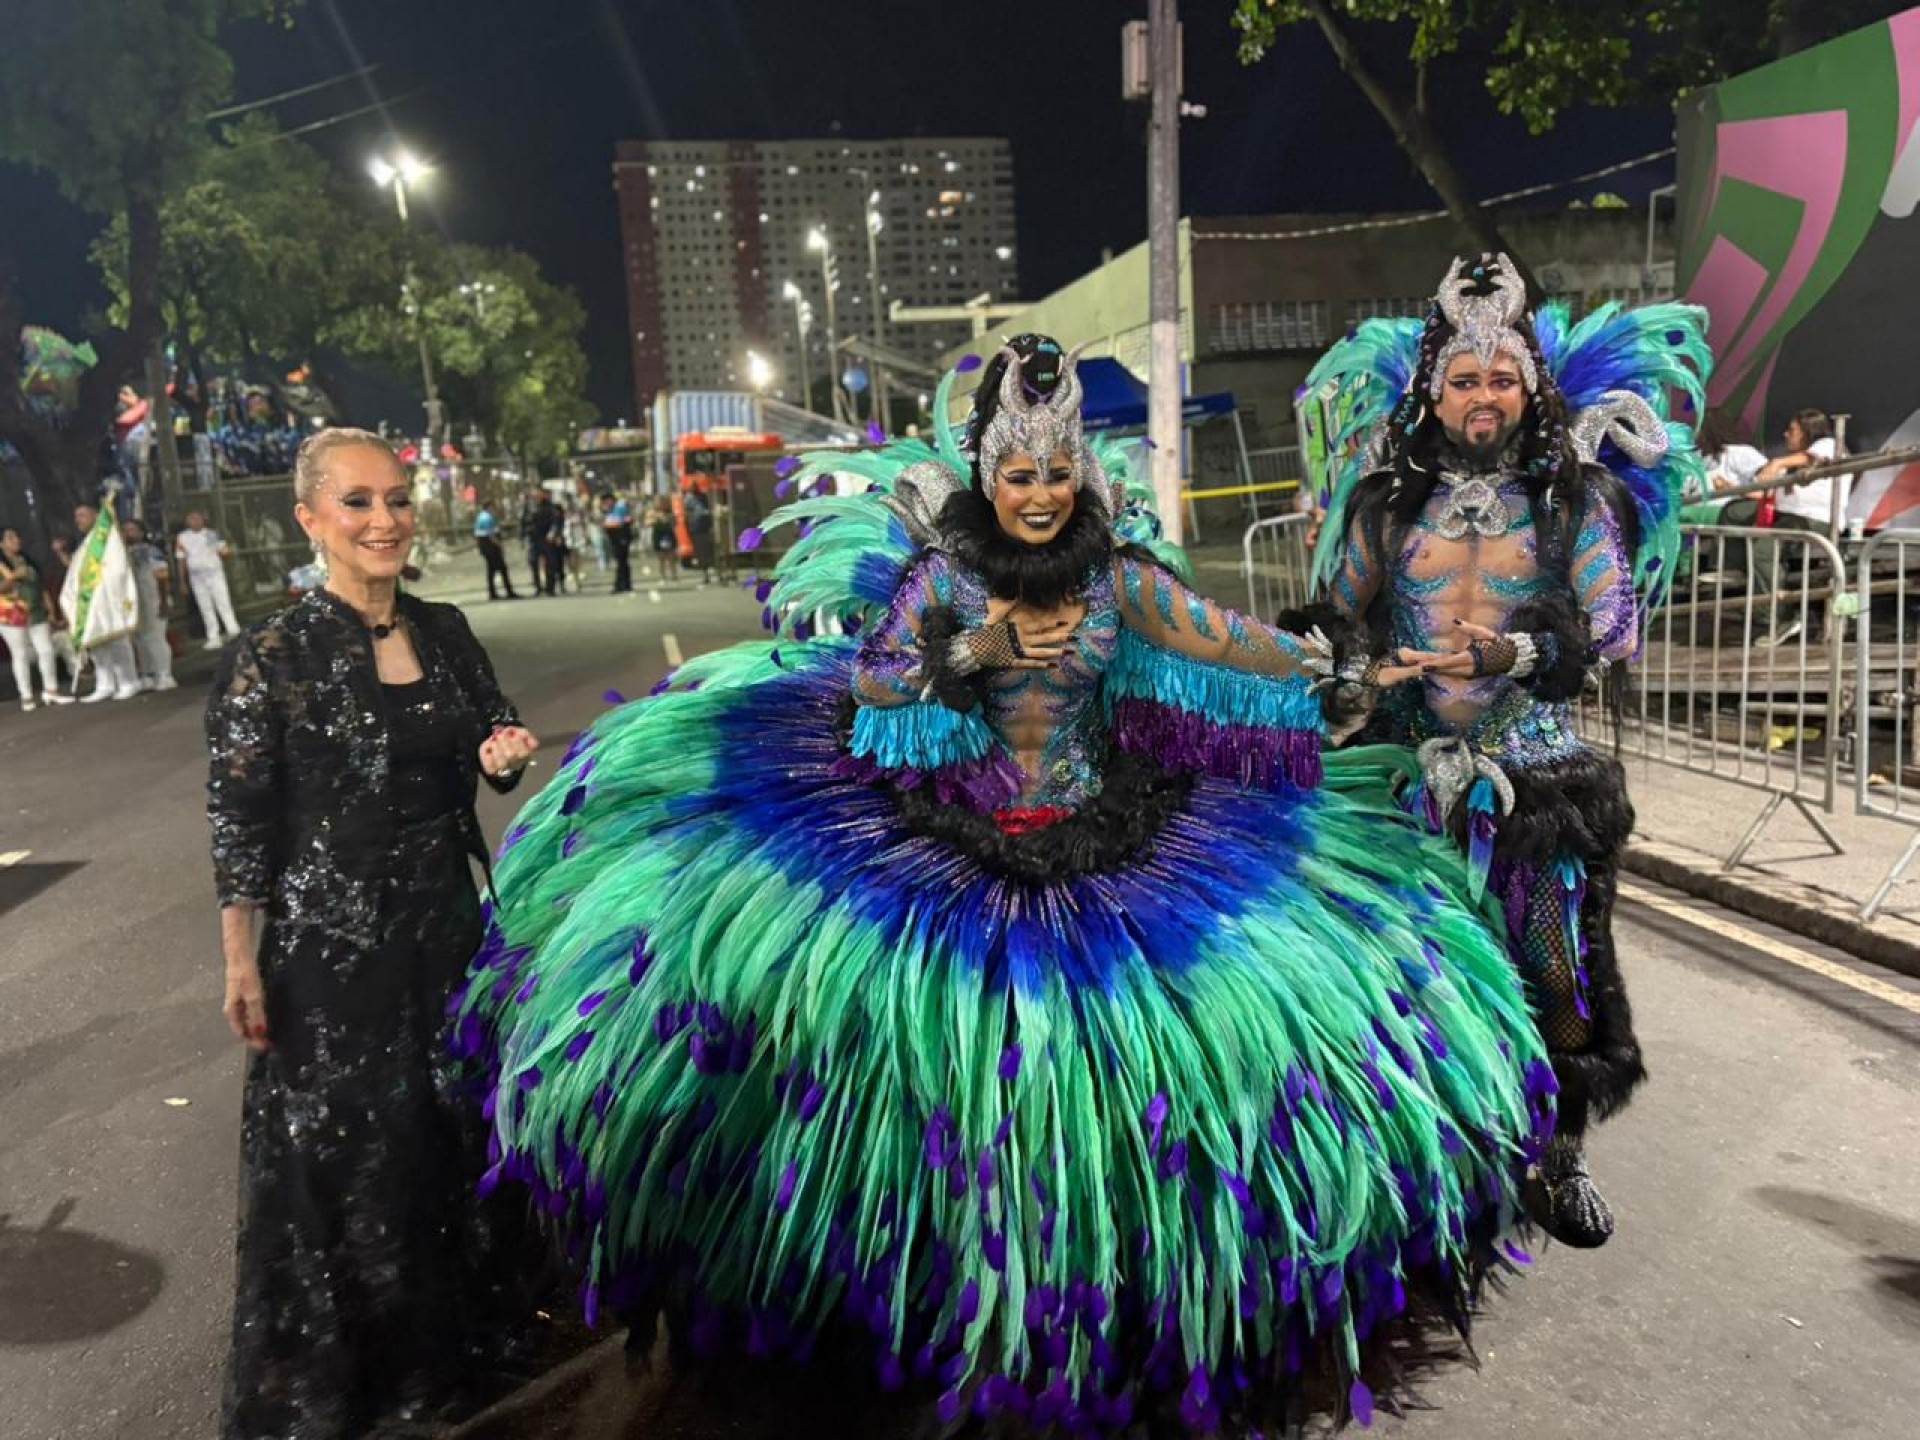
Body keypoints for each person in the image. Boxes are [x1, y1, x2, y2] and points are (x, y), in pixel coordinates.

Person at [452, 338, 1555, 1433]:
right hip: (945, 842)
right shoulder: (944, 578)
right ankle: (910, 1327)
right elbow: (878, 682)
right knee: (912, 1098)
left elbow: (1232, 645)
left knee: (1136, 1099)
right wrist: (972, 651)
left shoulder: (1120, 580)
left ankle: (1107, 1329)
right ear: (987, 477)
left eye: (1058, 473)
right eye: (1020, 474)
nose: (1039, 495)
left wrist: (1336, 664)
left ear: (1082, 477)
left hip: (1103, 843)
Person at [1308, 254, 1709, 1248]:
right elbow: (1336, 616)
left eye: (1501, 377)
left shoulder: (1570, 503)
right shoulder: (1385, 506)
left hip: (1532, 776)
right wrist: (1343, 667)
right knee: (1397, 976)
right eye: (1463, 378)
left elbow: (1614, 627)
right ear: (1433, 392)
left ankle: (1559, 1154)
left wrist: (1516, 650)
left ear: (1529, 390)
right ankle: (1419, 1158)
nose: (1482, 395)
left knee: (1558, 975)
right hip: (1401, 776)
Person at [206, 427, 543, 1439]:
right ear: (310, 520)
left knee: (446, 1138)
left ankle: (453, 1354)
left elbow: (491, 733)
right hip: (329, 955)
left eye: (396, 499)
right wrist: (240, 960)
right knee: (354, 1162)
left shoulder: (445, 631)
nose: (384, 520)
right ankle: (359, 1378)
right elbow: (240, 821)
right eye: (357, 502)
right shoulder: (272, 655)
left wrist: (503, 756)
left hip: (446, 931)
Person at [62, 503, 143, 702]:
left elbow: (117, 567)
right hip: (90, 603)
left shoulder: (109, 539)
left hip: (106, 598)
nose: (78, 520)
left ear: (96, 516)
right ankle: (105, 684)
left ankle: (128, 681)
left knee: (117, 642)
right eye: (76, 516)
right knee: (96, 645)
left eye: (82, 515)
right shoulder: (85, 545)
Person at [0, 527, 75, 711]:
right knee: (20, 654)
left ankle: (51, 691)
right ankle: (26, 696)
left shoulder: (27, 560)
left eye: (17, 536)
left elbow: (40, 586)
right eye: (10, 538)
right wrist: (13, 577)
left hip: (36, 612)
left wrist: (50, 608)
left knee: (46, 650)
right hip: (11, 616)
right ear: (1, 543)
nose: (16, 540)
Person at [121, 516, 178, 691]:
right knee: (140, 639)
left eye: (132, 530)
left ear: (141, 533)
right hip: (135, 603)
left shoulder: (151, 551)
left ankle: (165, 674)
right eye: (125, 530)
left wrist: (163, 600)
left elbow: (162, 576)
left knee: (155, 637)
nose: (128, 533)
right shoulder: (121, 554)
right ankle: (149, 674)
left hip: (153, 598)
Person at [176, 508, 242, 649]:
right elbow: (181, 560)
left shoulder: (211, 534)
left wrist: (227, 552)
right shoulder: (182, 537)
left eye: (197, 518)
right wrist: (182, 581)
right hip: (196, 577)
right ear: (187, 521)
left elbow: (224, 551)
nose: (194, 521)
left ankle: (234, 631)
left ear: (203, 519)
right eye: (191, 518)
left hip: (214, 574)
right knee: (205, 607)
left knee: (223, 603)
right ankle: (213, 637)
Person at [474, 504, 518, 600]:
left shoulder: (480, 517)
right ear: (489, 507)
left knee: (491, 570)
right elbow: (491, 534)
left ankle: (493, 593)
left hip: (485, 547)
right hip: (491, 547)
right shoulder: (487, 517)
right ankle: (509, 591)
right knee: (502, 568)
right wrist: (499, 545)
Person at [600, 492, 634, 593]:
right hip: (614, 538)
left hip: (621, 537)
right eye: (605, 501)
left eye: (608, 500)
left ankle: (620, 585)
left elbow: (626, 520)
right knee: (622, 562)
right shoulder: (608, 510)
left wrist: (621, 525)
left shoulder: (620, 507)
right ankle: (626, 584)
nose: (606, 503)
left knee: (621, 562)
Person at [684, 481, 716, 583]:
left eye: (695, 487)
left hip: (705, 527)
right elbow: (686, 514)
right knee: (700, 553)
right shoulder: (688, 499)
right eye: (692, 487)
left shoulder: (703, 497)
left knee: (708, 552)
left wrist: (710, 525)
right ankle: (705, 574)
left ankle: (708, 572)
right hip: (696, 529)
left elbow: (709, 511)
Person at [646, 496, 679, 583]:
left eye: (662, 502)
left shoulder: (670, 513)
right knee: (661, 558)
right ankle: (662, 577)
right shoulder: (652, 512)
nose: (660, 504)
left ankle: (674, 575)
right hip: (658, 536)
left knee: (671, 557)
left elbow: (675, 523)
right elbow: (647, 523)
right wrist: (656, 519)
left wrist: (669, 519)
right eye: (658, 502)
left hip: (668, 535)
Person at [561, 498, 590, 593]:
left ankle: (577, 582)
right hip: (567, 539)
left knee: (577, 559)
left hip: (578, 539)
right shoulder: (561, 515)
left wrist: (586, 535)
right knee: (569, 561)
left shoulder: (579, 514)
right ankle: (573, 575)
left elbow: (585, 524)